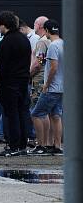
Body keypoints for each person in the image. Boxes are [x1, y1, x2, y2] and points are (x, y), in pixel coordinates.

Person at [0, 11, 32, 157]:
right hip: (23, 81)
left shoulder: (6, 42)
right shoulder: (24, 39)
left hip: (9, 83)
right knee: (22, 112)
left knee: (11, 114)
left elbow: (1, 66)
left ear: (4, 25)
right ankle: (22, 143)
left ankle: (13, 145)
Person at [30, 19, 63, 155]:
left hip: (51, 87)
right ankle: (57, 146)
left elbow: (51, 67)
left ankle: (41, 145)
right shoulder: (63, 43)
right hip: (62, 87)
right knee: (55, 116)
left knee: (36, 114)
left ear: (47, 30)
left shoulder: (52, 46)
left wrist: (46, 85)